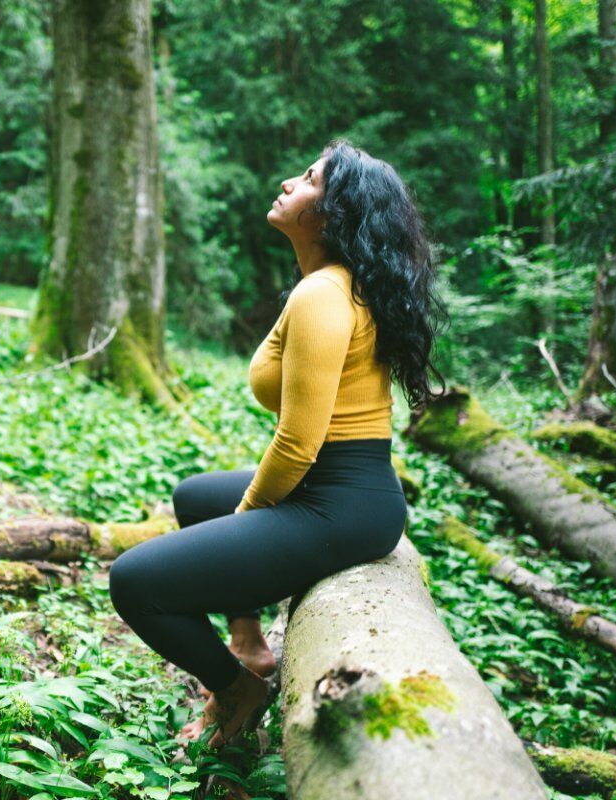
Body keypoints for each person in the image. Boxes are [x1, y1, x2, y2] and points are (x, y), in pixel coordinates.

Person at [108, 138, 450, 749]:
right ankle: (250, 645)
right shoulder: (332, 285)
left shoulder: (323, 294)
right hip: (349, 488)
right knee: (194, 495)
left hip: (338, 504)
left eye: (310, 179)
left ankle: (238, 688)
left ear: (333, 212)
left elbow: (296, 443)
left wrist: (249, 514)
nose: (290, 182)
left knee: (134, 581)